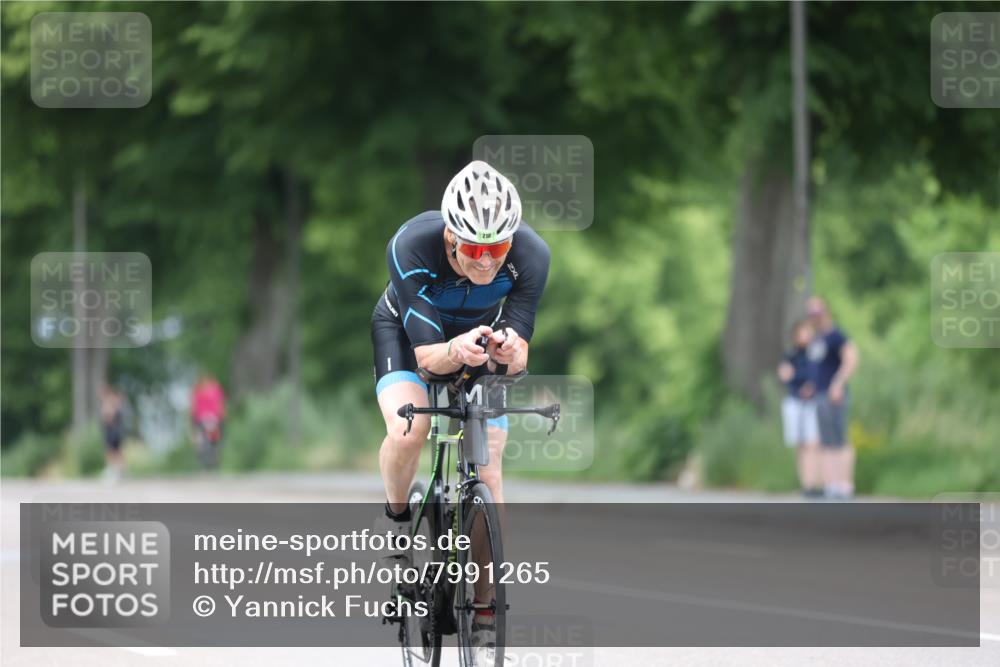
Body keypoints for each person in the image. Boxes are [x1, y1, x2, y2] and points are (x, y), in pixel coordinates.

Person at [371, 160, 550, 658]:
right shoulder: (411, 245)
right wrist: (456, 351)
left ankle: (486, 612)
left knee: (490, 470)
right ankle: (399, 517)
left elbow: (519, 354)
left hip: (478, 344)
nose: (488, 261)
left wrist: (512, 354)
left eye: (498, 248)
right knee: (412, 428)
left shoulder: (532, 254)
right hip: (408, 339)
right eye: (474, 249)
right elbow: (429, 358)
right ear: (451, 236)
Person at [806, 297, 860, 499]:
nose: (814, 318)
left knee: (840, 438)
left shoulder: (836, 335)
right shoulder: (816, 338)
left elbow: (852, 358)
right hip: (818, 395)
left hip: (834, 394)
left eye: (817, 313)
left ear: (825, 312)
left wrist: (838, 383)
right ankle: (832, 484)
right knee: (826, 440)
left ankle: (846, 484)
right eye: (811, 314)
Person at [777, 319, 822, 497]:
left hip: (812, 402)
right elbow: (785, 375)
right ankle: (807, 483)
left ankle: (817, 482)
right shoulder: (790, 354)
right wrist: (799, 379)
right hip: (795, 401)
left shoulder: (816, 353)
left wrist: (806, 381)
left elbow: (816, 374)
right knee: (801, 444)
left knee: (813, 442)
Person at [190, 374, 226, 467]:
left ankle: (205, 461)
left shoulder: (198, 389)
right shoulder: (215, 388)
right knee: (213, 441)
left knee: (203, 441)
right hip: (213, 419)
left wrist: (192, 422)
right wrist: (221, 418)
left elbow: (193, 407)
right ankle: (213, 461)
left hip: (202, 419)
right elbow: (220, 405)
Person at [99, 384, 125, 481]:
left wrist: (106, 416)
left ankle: (115, 470)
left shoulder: (109, 401)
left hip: (112, 430)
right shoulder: (111, 401)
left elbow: (110, 415)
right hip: (113, 429)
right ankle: (118, 471)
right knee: (115, 451)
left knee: (112, 451)